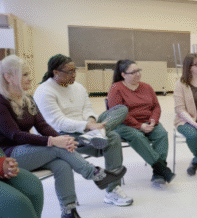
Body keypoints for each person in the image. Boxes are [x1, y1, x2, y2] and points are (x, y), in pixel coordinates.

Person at [0, 55, 126, 218]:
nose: (30, 78)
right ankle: (94, 173)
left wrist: (62, 140)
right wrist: (53, 141)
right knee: (56, 150)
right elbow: (15, 135)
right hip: (6, 155)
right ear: (8, 77)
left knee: (61, 164)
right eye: (24, 74)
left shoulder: (27, 98)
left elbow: (42, 125)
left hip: (26, 150)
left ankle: (68, 212)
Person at [34, 54, 133, 206]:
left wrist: (91, 121)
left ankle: (96, 137)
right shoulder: (44, 91)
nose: (74, 75)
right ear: (56, 72)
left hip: (86, 128)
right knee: (112, 136)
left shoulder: (78, 87)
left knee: (121, 109)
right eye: (69, 72)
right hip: (62, 134)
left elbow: (87, 108)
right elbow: (57, 122)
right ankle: (97, 138)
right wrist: (87, 127)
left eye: (75, 71)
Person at [108, 59, 175, 185]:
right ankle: (161, 168)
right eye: (133, 72)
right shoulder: (116, 88)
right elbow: (118, 113)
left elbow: (156, 107)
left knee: (162, 134)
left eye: (138, 70)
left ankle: (158, 173)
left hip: (149, 122)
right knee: (137, 136)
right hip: (124, 124)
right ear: (123, 74)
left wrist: (153, 121)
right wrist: (139, 126)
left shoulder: (146, 87)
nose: (138, 74)